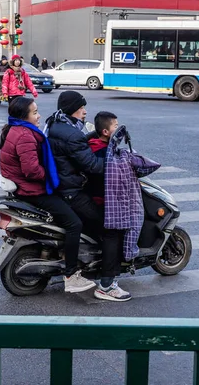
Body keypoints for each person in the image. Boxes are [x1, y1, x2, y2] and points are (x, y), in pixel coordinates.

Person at [0, 97, 95, 294]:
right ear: (23, 116)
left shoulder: (15, 129)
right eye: (34, 112)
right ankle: (70, 275)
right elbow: (31, 170)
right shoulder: (25, 135)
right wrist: (53, 177)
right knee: (74, 223)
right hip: (32, 191)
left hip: (23, 188)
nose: (39, 115)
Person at [44, 91, 126, 298]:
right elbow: (92, 165)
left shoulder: (56, 124)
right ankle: (107, 285)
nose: (85, 111)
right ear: (73, 109)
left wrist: (90, 136)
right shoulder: (72, 134)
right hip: (72, 191)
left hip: (61, 186)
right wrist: (118, 163)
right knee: (111, 229)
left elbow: (75, 148)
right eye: (82, 108)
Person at [87, 111, 130, 301]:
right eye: (115, 126)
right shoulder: (104, 153)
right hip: (102, 201)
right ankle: (106, 284)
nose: (118, 128)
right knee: (113, 234)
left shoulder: (92, 146)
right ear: (105, 131)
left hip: (91, 198)